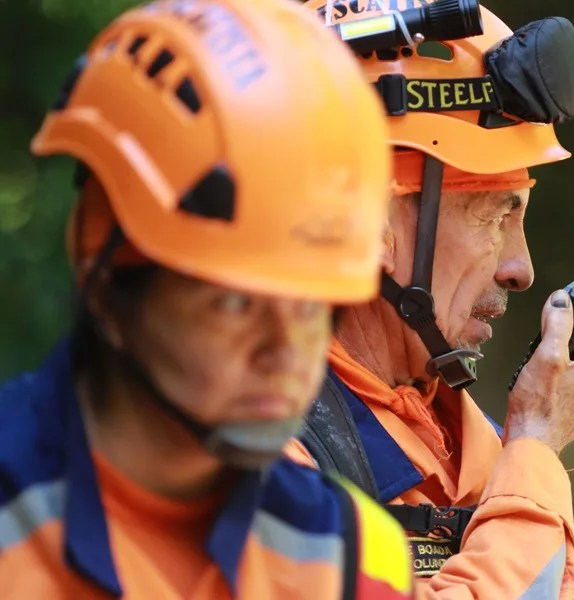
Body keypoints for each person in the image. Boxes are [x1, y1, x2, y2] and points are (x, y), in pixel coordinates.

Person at [0, 0, 413, 598]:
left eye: (313, 308)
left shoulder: (352, 556)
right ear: (106, 277)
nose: (289, 354)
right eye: (238, 304)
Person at [299, 2, 574, 597]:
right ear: (374, 224)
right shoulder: (253, 456)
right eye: (496, 215)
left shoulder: (467, 443)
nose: (520, 269)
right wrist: (536, 447)